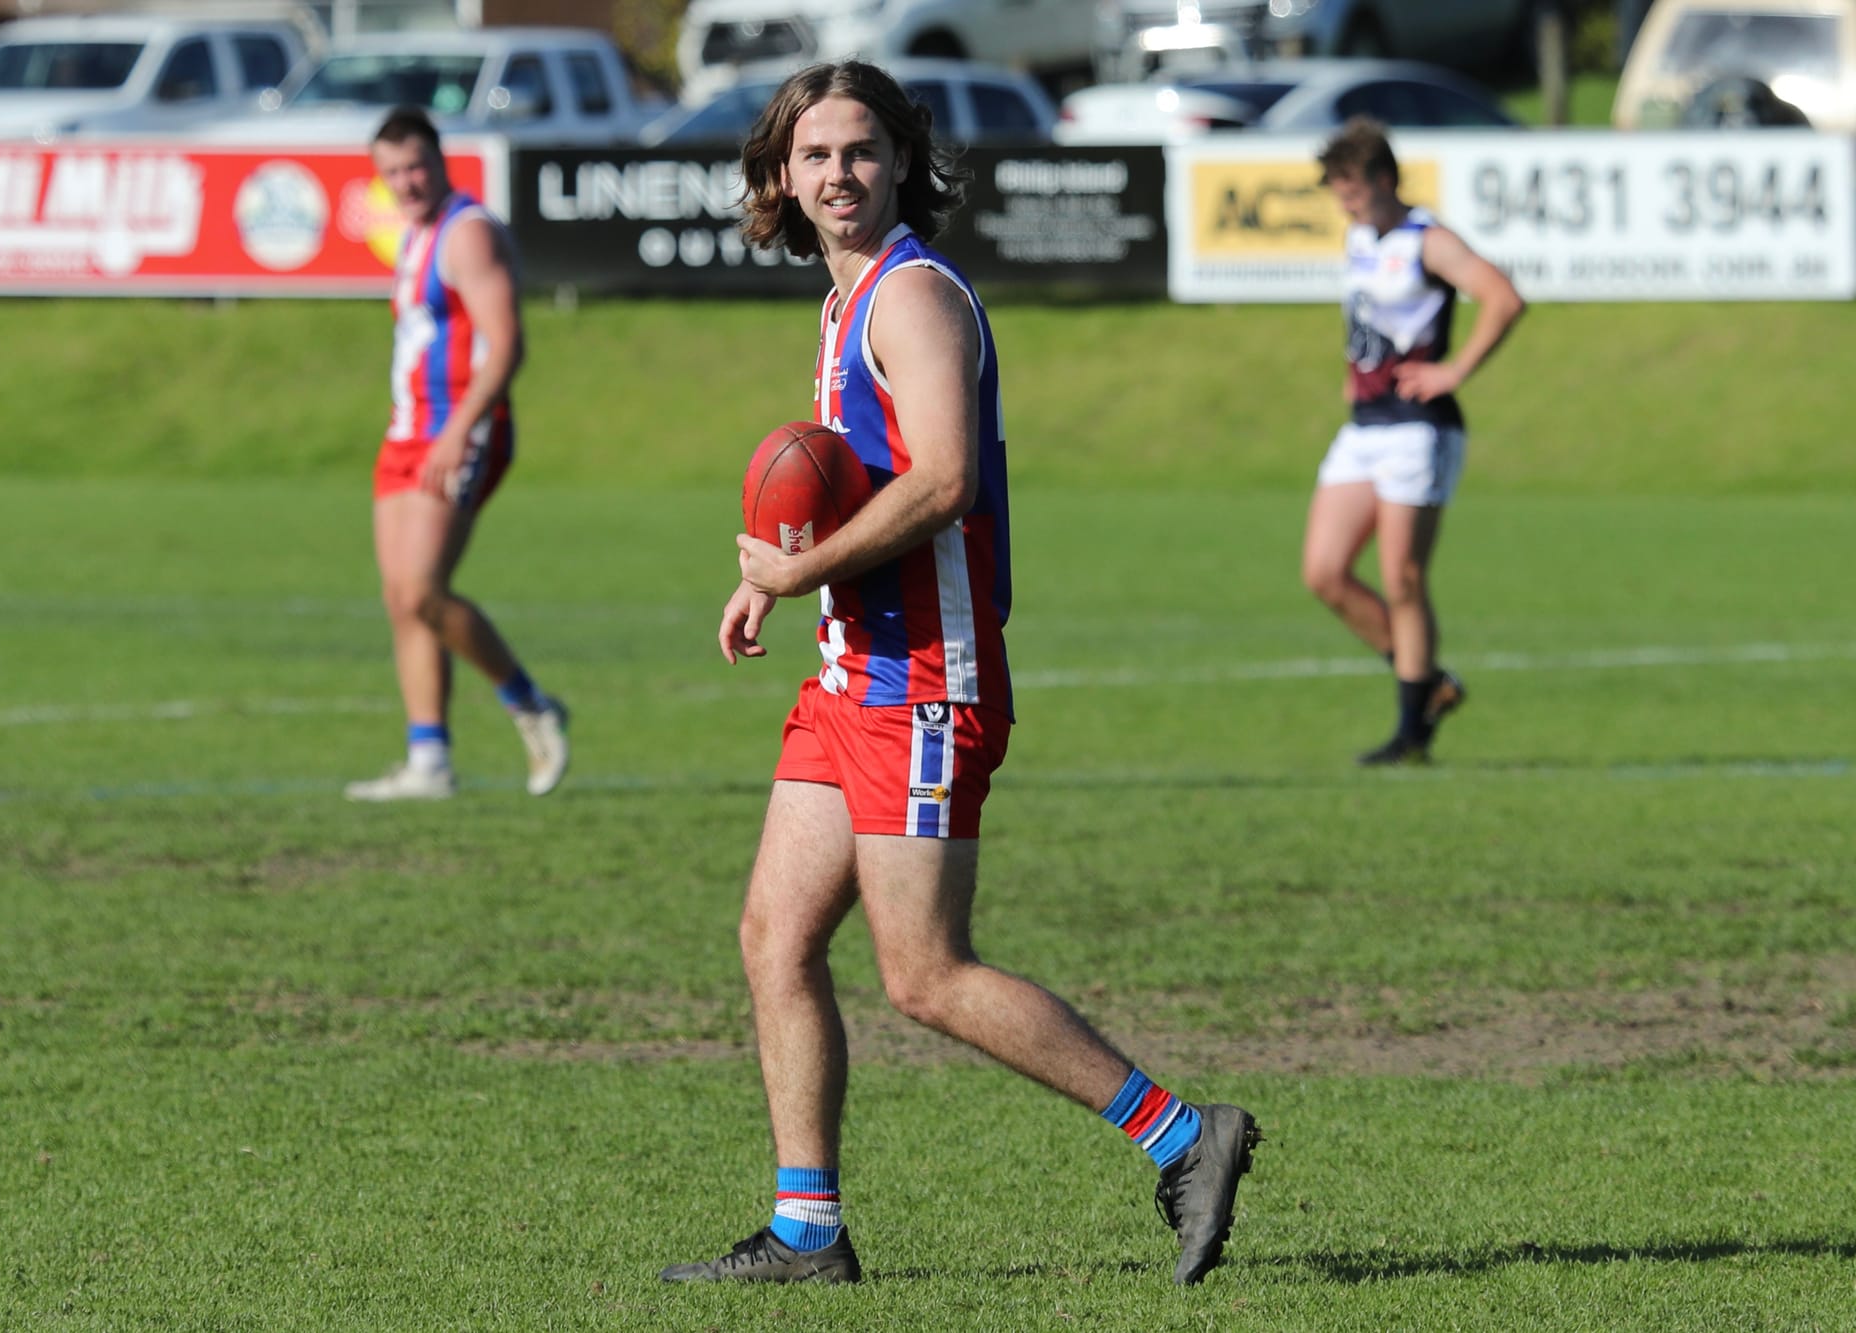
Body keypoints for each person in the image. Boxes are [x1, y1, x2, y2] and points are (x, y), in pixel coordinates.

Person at [660, 61, 1259, 1288]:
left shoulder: (912, 297)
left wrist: (802, 565)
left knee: (925, 973)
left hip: (924, 685)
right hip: (850, 675)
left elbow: (941, 483)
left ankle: (1183, 1136)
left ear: (900, 162)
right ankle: (806, 1232)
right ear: (780, 173)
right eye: (815, 154)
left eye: (860, 151)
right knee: (774, 936)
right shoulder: (841, 302)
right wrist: (776, 566)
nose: (838, 173)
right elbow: (851, 475)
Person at [344, 107, 568, 802]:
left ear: (440, 162)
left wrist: (458, 428)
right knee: (402, 601)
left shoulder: (467, 233)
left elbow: (506, 344)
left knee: (421, 589)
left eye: (415, 166)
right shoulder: (412, 235)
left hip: (459, 431)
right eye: (391, 172)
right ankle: (429, 759)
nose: (406, 182)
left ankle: (529, 703)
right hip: (406, 431)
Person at [1302, 117, 1526, 766]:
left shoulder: (1428, 240)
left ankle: (1411, 734)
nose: (1344, 204)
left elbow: (1503, 298)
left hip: (1418, 428)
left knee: (1402, 578)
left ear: (1384, 180)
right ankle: (1429, 682)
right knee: (1324, 573)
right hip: (1364, 426)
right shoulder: (1359, 238)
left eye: (1352, 190)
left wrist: (1453, 370)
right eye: (1338, 192)